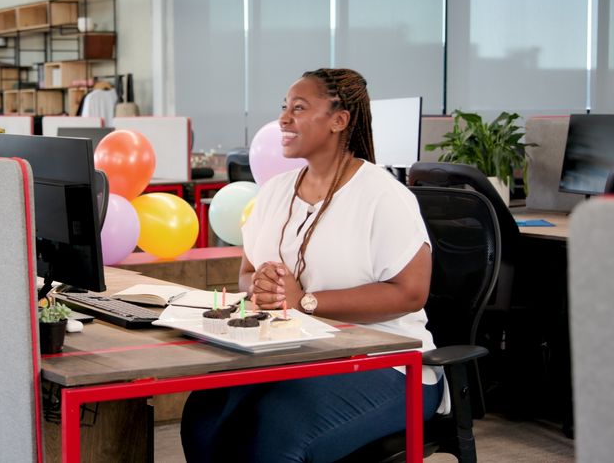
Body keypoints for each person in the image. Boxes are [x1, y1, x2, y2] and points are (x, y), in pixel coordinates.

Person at [180, 68, 445, 462]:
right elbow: (248, 274)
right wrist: (263, 286)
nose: (284, 119)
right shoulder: (275, 192)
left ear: (339, 121)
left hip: (391, 364)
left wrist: (306, 301)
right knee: (207, 413)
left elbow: (411, 292)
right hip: (294, 353)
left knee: (273, 431)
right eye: (284, 108)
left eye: (299, 108)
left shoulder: (383, 195)